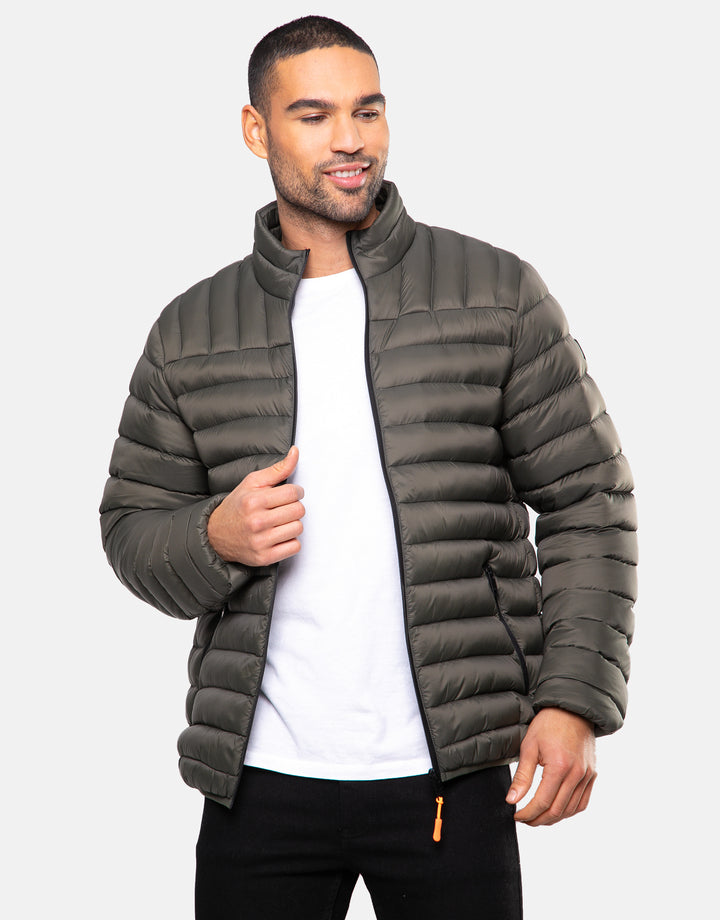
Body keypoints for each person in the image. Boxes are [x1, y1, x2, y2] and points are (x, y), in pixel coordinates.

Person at [100, 15, 637, 920]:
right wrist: (212, 537)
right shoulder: (191, 330)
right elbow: (129, 527)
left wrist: (573, 700)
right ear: (256, 130)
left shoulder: (495, 293)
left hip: (453, 775)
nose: (350, 139)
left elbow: (591, 500)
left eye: (368, 110)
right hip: (257, 781)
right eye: (313, 115)